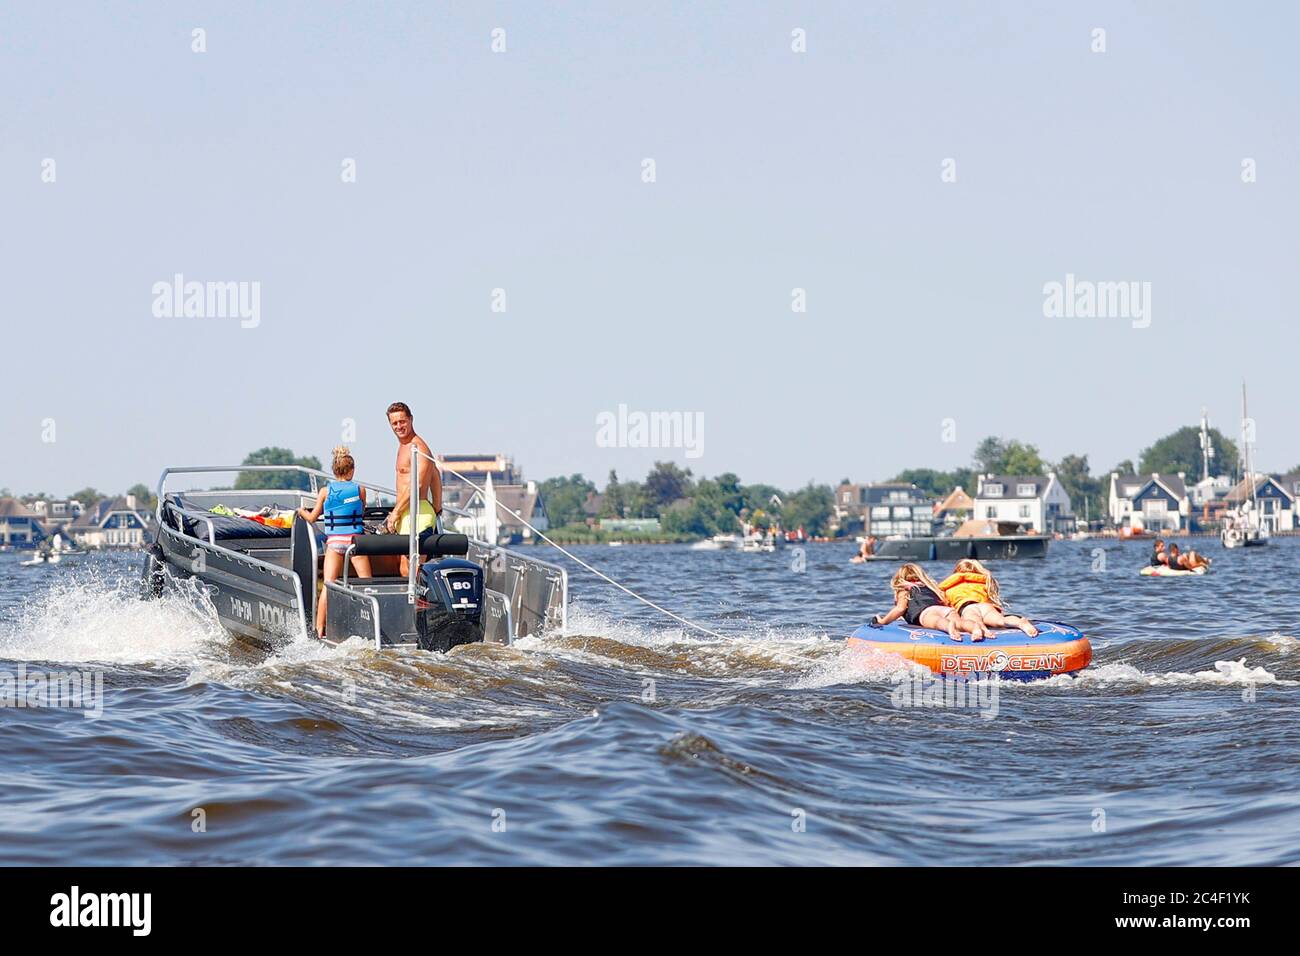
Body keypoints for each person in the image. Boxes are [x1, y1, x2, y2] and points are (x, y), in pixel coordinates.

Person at [297, 446, 372, 637]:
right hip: (355, 542)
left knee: (329, 587)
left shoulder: (325, 491)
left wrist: (301, 512)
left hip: (335, 543)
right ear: (352, 470)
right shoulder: (360, 489)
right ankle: (373, 626)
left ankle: (319, 629)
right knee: (367, 586)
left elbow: (313, 518)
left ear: (334, 471)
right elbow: (361, 512)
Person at [383, 401, 442, 576]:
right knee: (403, 564)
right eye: (394, 423)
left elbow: (417, 485)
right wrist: (438, 505)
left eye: (402, 421)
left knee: (414, 565)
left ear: (411, 419)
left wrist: (395, 513)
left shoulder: (418, 447)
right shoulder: (403, 446)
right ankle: (409, 603)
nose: (399, 426)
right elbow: (436, 475)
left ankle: (417, 602)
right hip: (406, 513)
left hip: (418, 513)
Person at [873, 563, 984, 643]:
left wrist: (883, 621)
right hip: (945, 610)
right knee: (959, 623)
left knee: (937, 622)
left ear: (900, 579)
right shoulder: (930, 587)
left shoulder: (905, 589)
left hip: (926, 613)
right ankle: (974, 628)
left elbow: (900, 609)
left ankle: (948, 627)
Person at [938, 558, 1039, 638]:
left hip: (967, 607)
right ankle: (1020, 622)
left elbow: (946, 607)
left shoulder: (949, 587)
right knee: (1000, 620)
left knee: (974, 621)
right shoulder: (982, 582)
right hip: (985, 606)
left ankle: (981, 631)